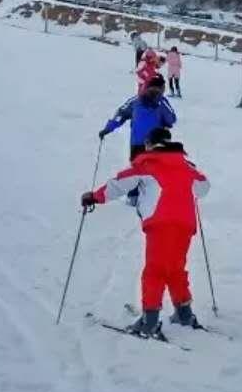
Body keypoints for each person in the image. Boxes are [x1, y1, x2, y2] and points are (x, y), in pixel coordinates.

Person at [80, 127, 209, 339]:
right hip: (185, 224)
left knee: (155, 271)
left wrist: (94, 197)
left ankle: (149, 322)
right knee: (175, 268)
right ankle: (184, 314)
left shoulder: (148, 164)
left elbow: (119, 184)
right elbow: (204, 188)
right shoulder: (185, 165)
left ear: (149, 144)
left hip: (160, 223)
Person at [102, 77, 179, 160]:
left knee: (136, 170)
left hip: (136, 143)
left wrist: (108, 128)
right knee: (153, 171)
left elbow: (121, 114)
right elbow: (171, 119)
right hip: (154, 144)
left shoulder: (135, 100)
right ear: (161, 88)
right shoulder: (162, 102)